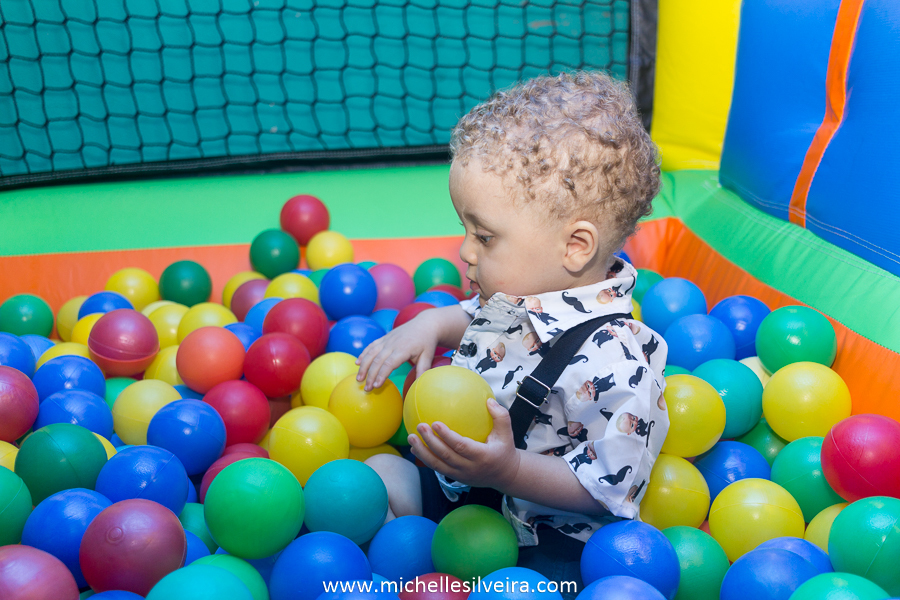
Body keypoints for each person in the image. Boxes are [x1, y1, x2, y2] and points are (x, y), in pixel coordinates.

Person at [356, 71, 669, 596]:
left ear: (575, 247)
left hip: (544, 534)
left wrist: (508, 470)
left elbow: (606, 487)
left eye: (484, 236)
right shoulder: (521, 291)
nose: (464, 251)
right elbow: (482, 320)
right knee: (368, 481)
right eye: (465, 230)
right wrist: (431, 323)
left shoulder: (617, 361)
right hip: (463, 490)